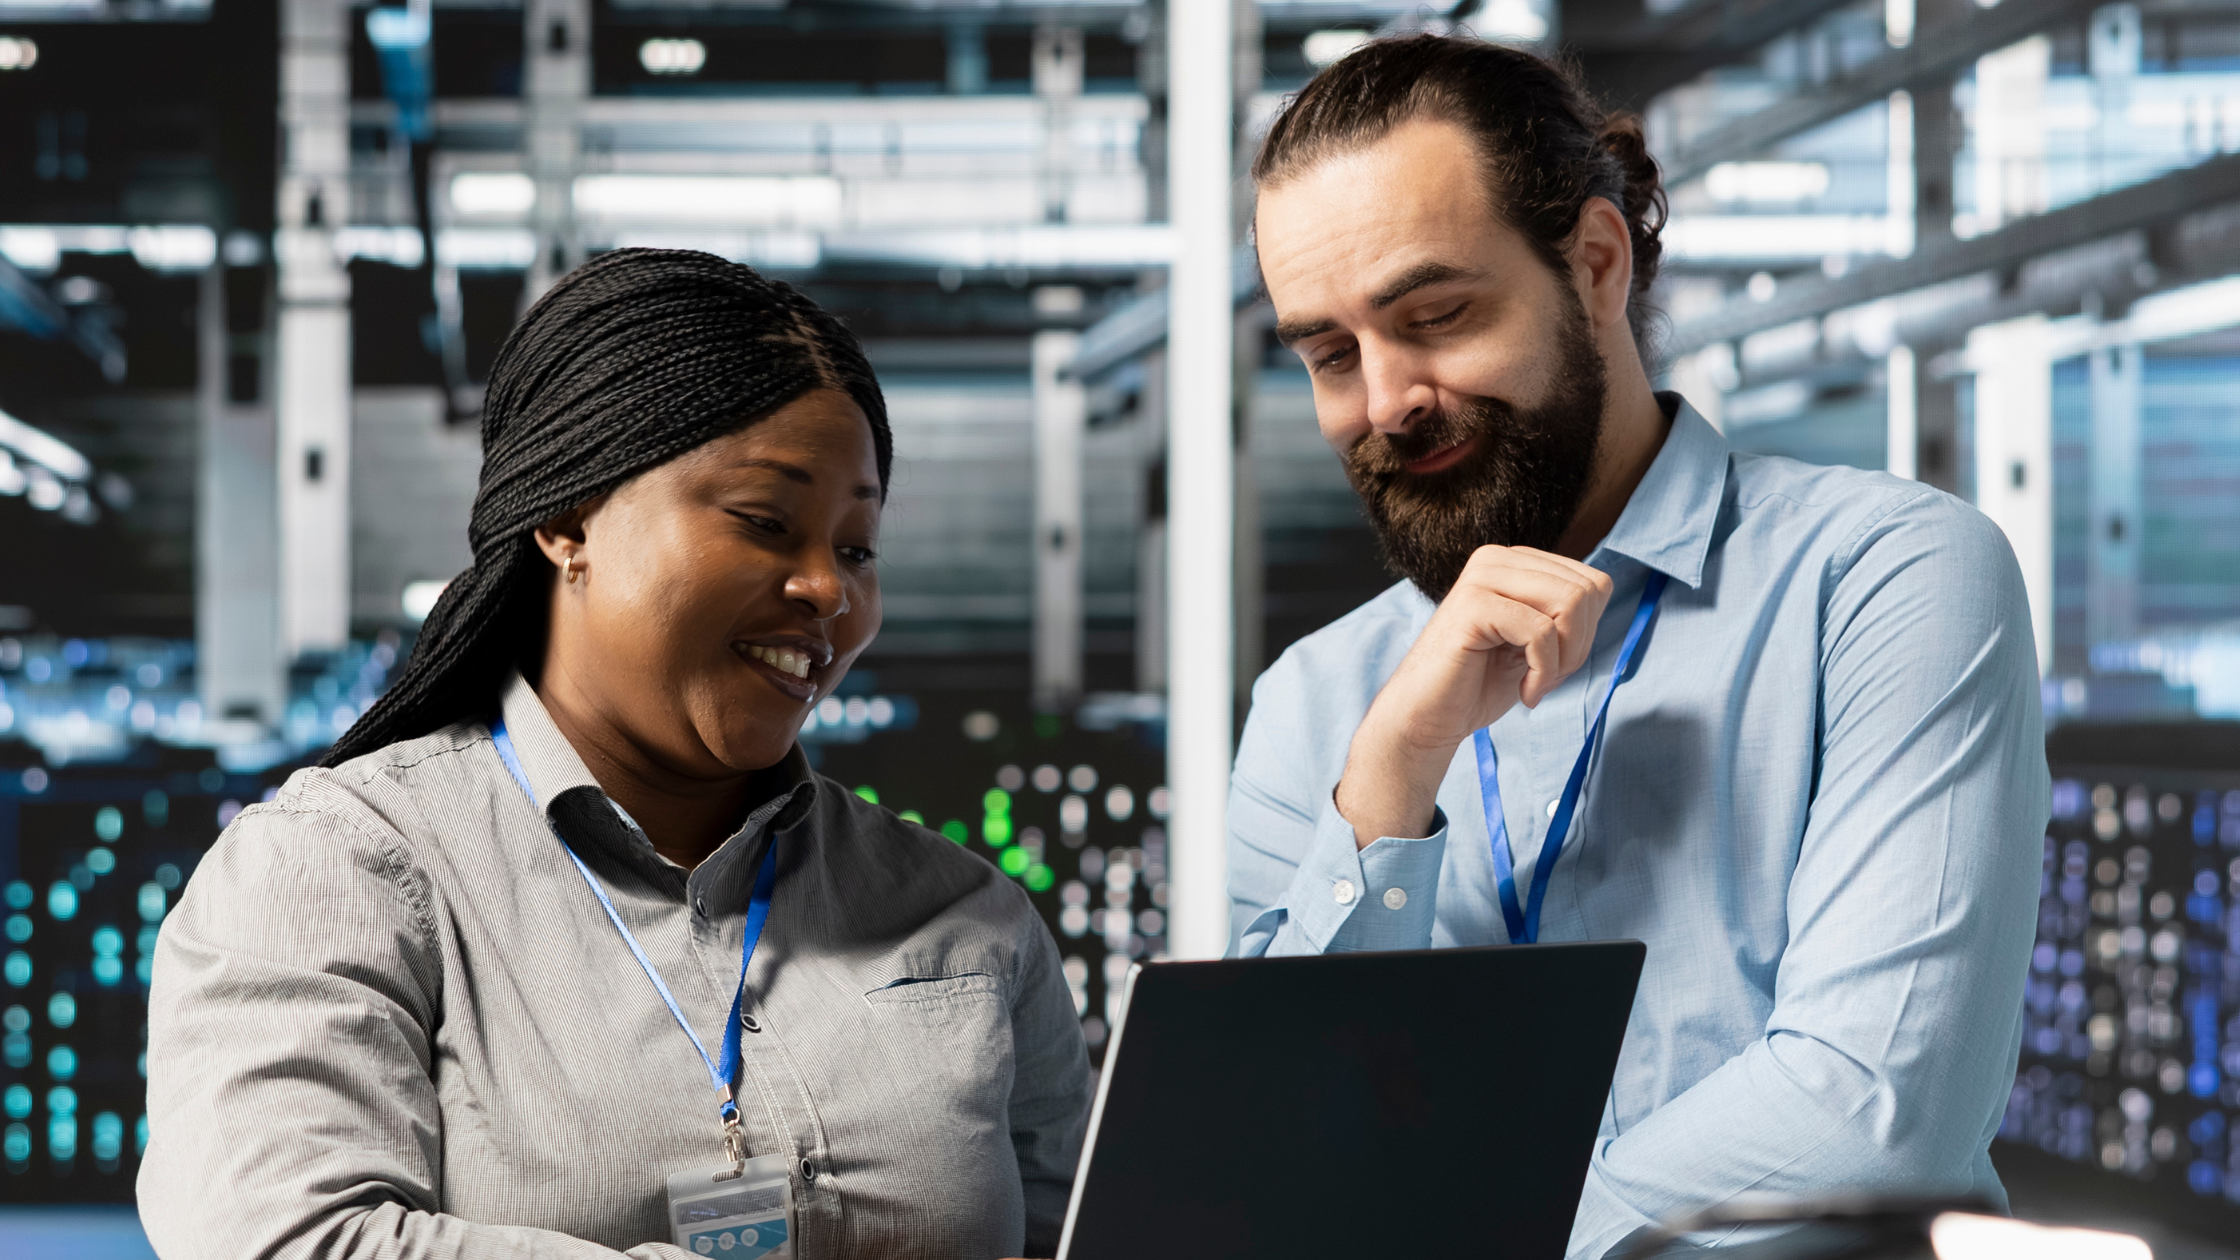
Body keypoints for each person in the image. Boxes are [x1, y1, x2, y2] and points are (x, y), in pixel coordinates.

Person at [1229, 35, 2048, 1259]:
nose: (1387, 395)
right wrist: (1390, 781)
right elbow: (1257, 1155)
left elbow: (1878, 1112)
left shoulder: (1884, 578)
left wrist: (1484, 1232)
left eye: (1435, 314)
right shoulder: (1318, 703)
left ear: (1597, 263)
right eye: (1331, 354)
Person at [140, 250, 1091, 1259]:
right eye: (766, 523)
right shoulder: (345, 874)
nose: (826, 591)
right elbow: (289, 1240)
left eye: (855, 548)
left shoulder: (961, 918)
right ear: (566, 518)